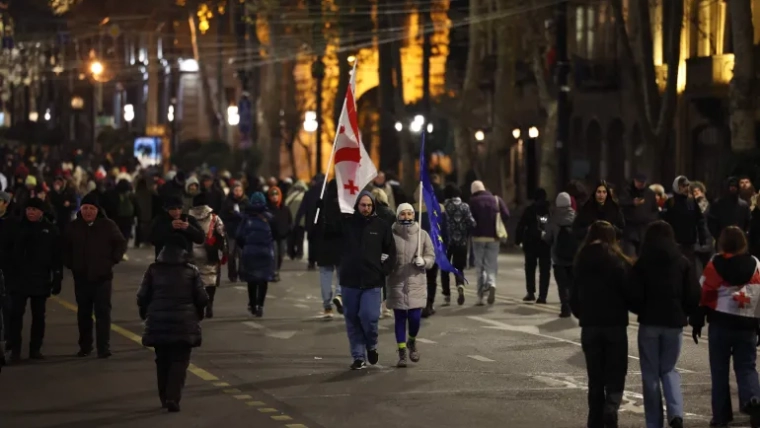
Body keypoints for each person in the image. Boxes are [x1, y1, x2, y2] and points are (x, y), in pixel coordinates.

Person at [628, 220, 700, 428]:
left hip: (650, 321)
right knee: (669, 369)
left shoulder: (642, 263)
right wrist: (685, 312)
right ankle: (676, 414)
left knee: (650, 373)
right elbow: (693, 293)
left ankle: (654, 423)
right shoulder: (682, 262)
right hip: (674, 321)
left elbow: (633, 293)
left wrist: (640, 309)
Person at [690, 226, 760, 427]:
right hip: (747, 324)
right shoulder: (755, 264)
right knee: (747, 367)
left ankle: (721, 417)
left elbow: (706, 293)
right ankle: (753, 398)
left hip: (721, 324)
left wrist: (697, 321)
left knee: (719, 372)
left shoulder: (715, 264)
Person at [571, 220, 633, 428]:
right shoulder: (617, 260)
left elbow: (574, 295)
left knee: (595, 377)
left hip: (590, 325)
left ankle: (594, 420)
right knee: (616, 372)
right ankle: (611, 407)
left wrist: (583, 314)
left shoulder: (581, 258)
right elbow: (628, 292)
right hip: (615, 325)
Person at [137, 234, 209, 413]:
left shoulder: (153, 270)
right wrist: (198, 314)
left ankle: (163, 397)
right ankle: (173, 397)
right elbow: (202, 298)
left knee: (162, 361)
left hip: (158, 322)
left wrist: (146, 314)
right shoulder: (191, 271)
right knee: (180, 360)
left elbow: (142, 296)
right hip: (184, 323)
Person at [332, 190, 396, 370]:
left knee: (369, 317)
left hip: (372, 282)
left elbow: (391, 252)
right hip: (349, 280)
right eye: (363, 205)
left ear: (373, 206)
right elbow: (329, 233)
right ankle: (358, 356)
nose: (366, 208)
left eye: (369, 205)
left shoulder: (381, 226)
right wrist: (324, 208)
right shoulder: (347, 224)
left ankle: (371, 345)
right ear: (357, 205)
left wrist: (384, 269)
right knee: (352, 319)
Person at [63, 192, 127, 358]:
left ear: (98, 210)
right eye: (85, 208)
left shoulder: (108, 225)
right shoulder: (73, 226)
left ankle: (103, 347)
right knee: (83, 313)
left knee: (103, 314)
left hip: (102, 278)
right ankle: (85, 346)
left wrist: (112, 260)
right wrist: (71, 264)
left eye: (91, 208)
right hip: (81, 277)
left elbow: (120, 243)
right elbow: (65, 248)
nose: (88, 211)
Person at [6, 198, 63, 362]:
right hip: (18, 279)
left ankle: (35, 349)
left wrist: (57, 276)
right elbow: (7, 252)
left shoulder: (50, 230)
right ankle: (14, 350)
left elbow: (56, 256)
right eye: (29, 209)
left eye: (35, 209)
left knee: (39, 316)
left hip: (40, 278)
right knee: (15, 315)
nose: (31, 212)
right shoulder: (16, 227)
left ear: (42, 212)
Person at [385, 203, 434, 367]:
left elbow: (431, 256)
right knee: (399, 318)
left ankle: (411, 340)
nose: (406, 217)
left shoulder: (423, 235)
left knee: (414, 318)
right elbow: (384, 253)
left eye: (409, 214)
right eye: (403, 214)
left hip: (416, 283)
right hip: (396, 282)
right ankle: (402, 353)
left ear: (413, 215)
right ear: (398, 216)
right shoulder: (390, 235)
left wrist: (424, 261)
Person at [468, 180, 510, 305]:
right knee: (491, 264)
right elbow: (506, 215)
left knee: (480, 266)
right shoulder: (496, 199)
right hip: (494, 237)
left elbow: (469, 220)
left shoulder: (473, 202)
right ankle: (491, 283)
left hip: (478, 238)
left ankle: (481, 297)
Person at [188, 193, 228, 319]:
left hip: (192, 253)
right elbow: (221, 235)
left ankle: (198, 305)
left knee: (194, 280)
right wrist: (223, 251)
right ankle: (209, 303)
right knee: (210, 279)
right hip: (210, 252)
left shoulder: (187, 218)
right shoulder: (214, 218)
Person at [236, 192, 275, 317]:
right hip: (266, 253)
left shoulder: (246, 217)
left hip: (250, 252)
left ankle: (252, 304)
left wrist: (246, 246)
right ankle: (260, 305)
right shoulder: (268, 217)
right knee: (263, 279)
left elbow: (239, 236)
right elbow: (276, 234)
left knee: (251, 280)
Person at [542, 192, 577, 318]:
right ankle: (574, 305)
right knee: (572, 283)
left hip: (558, 257)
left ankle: (565, 307)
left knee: (562, 285)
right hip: (574, 257)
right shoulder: (576, 217)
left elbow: (547, 238)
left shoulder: (553, 218)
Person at [661, 175, 709, 266]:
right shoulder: (670, 202)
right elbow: (664, 222)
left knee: (689, 267)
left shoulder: (691, 201)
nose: (686, 188)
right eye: (683, 186)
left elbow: (700, 220)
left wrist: (702, 238)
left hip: (689, 242)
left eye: (687, 185)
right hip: (674, 242)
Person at [515, 188, 551, 303]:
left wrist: (517, 240)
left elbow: (521, 226)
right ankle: (543, 296)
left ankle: (531, 292)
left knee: (530, 268)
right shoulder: (549, 210)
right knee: (545, 270)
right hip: (545, 243)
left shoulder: (529, 210)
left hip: (531, 243)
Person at [442, 184, 475, 306]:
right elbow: (472, 223)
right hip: (461, 242)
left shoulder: (445, 207)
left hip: (447, 242)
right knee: (459, 267)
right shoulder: (465, 206)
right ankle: (460, 284)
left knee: (444, 269)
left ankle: (446, 295)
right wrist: (466, 233)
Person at [619, 173, 659, 257]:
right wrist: (632, 202)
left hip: (645, 228)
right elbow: (620, 203)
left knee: (643, 255)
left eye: (643, 182)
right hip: (630, 228)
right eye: (639, 182)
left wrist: (651, 220)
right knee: (629, 255)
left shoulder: (650, 193)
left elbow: (654, 210)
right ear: (634, 181)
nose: (641, 184)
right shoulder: (627, 191)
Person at [220, 183, 248, 282]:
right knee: (231, 253)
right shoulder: (227, 202)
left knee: (242, 254)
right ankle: (232, 274)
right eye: (236, 190)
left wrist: (242, 216)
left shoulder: (245, 201)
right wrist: (232, 216)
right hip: (231, 231)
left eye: (240, 191)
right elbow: (222, 216)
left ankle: (242, 273)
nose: (238, 193)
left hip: (242, 231)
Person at [266, 186, 292, 282]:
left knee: (281, 254)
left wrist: (288, 230)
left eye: (276, 194)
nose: (274, 197)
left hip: (283, 236)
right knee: (274, 254)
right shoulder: (267, 208)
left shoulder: (285, 208)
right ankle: (274, 272)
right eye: (272, 195)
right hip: (272, 236)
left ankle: (277, 270)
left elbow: (290, 221)